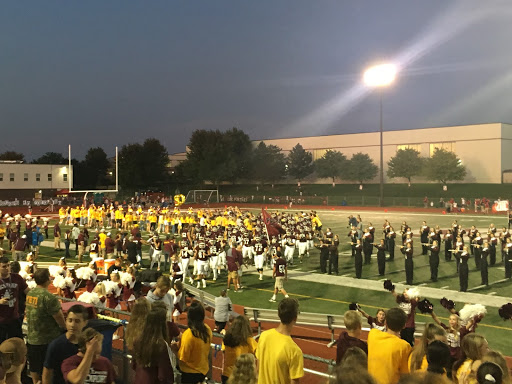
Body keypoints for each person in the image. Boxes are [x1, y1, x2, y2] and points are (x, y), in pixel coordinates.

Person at [26, 269, 66, 384]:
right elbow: (59, 317)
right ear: (47, 279)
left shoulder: (30, 293)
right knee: (48, 369)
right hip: (47, 339)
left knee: (34, 367)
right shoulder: (49, 297)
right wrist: (65, 328)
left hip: (32, 337)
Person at [256, 298, 304, 384]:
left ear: (279, 314)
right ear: (295, 318)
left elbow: (258, 369)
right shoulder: (294, 351)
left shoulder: (264, 336)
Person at [43, 304, 89, 384]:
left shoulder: (89, 344)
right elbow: (47, 374)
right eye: (70, 320)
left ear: (85, 322)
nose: (72, 325)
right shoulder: (56, 345)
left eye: (77, 321)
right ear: (66, 320)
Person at [367, 307, 411, 384]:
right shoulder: (404, 346)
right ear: (404, 326)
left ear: (385, 323)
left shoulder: (372, 334)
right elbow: (405, 375)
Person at [132, 306, 174, 384]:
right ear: (162, 324)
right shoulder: (161, 345)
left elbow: (133, 365)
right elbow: (164, 375)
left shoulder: (137, 340)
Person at [175, 301, 212, 384]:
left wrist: (175, 349)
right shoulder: (207, 329)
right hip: (203, 370)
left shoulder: (188, 335)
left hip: (190, 373)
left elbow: (183, 357)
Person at [0, 256, 29, 344]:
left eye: (8, 265)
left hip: (14, 318)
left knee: (17, 343)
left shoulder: (17, 277)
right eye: (4, 266)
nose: (7, 268)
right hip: (1, 320)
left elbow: (28, 291)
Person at [222, 316, 257, 384]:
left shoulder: (227, 338)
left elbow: (223, 350)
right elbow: (259, 354)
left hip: (227, 375)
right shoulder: (249, 341)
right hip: (242, 377)